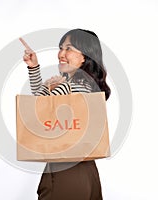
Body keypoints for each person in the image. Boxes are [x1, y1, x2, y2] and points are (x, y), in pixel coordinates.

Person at [20, 29, 111, 200]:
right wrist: (34, 68)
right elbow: (45, 105)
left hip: (65, 173)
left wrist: (50, 86)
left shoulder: (72, 86)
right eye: (60, 48)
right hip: (87, 170)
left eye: (69, 48)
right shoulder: (87, 85)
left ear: (85, 56)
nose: (61, 53)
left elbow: (37, 108)